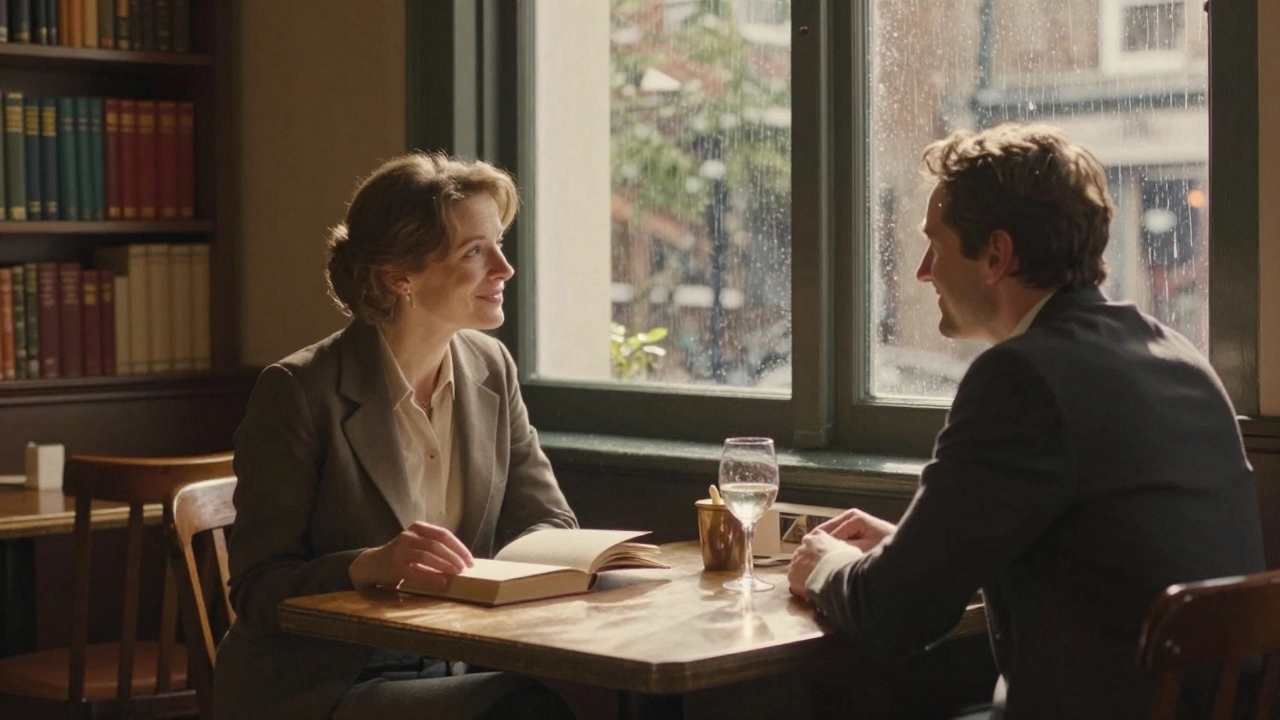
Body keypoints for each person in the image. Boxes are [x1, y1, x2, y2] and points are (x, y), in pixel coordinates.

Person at [787, 123, 1265, 719]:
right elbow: (1094, 571)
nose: (923, 271)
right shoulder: (1176, 356)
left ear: (996, 255)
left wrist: (826, 565)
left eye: (935, 243)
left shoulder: (1020, 379)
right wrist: (908, 551)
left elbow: (894, 618)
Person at [213, 153, 579, 720]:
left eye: (499, 243)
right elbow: (257, 590)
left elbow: (550, 523)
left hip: (457, 660)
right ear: (398, 276)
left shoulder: (492, 367)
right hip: (320, 687)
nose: (505, 268)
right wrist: (366, 565)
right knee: (521, 711)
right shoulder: (299, 390)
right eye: (475, 251)